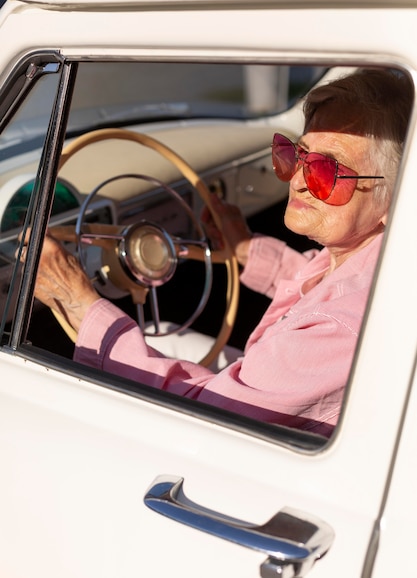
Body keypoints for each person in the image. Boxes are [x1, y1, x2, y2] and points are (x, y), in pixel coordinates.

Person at [28, 68, 413, 437]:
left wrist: (75, 299)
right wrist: (246, 250)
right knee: (158, 332)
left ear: (395, 200)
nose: (296, 180)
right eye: (296, 154)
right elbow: (321, 286)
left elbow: (207, 415)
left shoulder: (338, 329)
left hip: (229, 443)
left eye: (327, 171)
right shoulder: (380, 258)